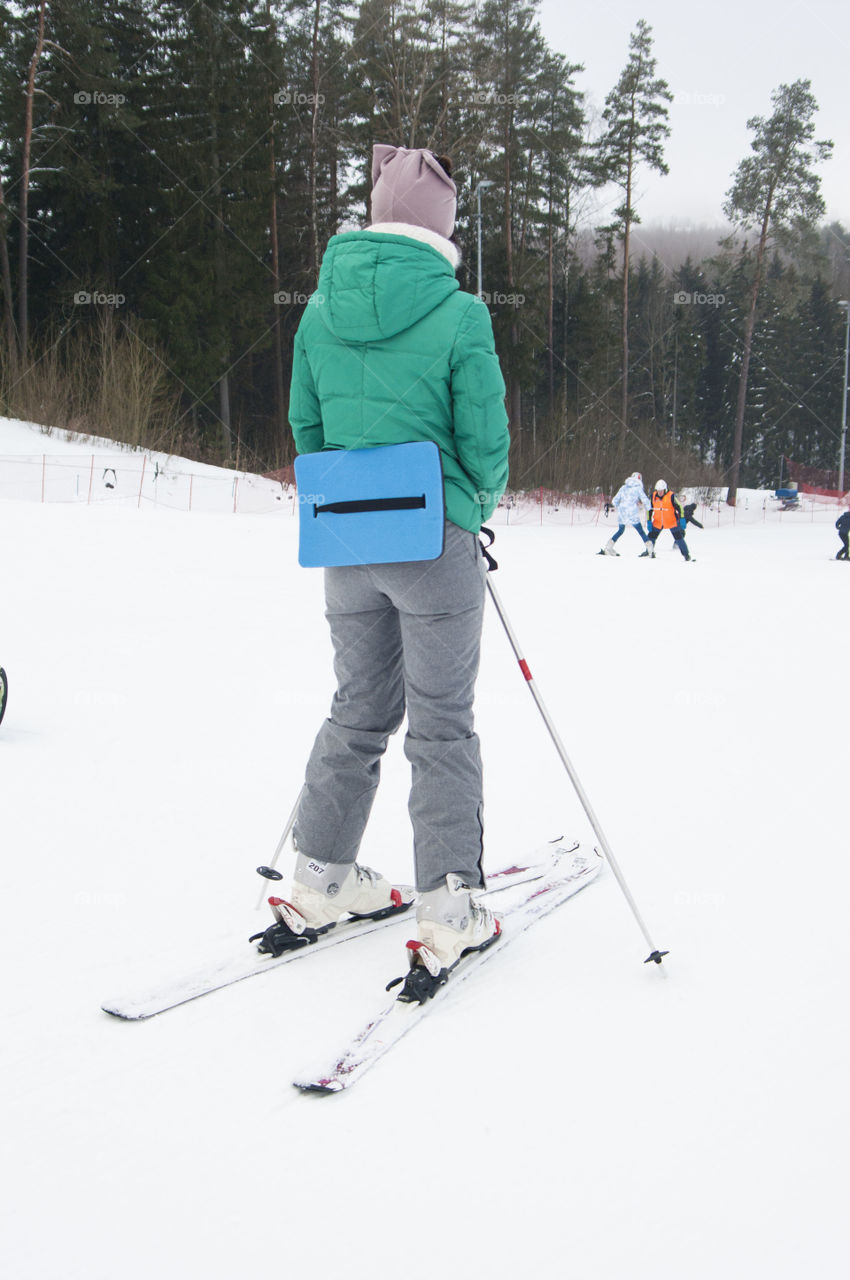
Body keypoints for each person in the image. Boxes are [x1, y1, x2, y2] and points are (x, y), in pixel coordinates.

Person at [278, 145, 510, 992]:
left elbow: (306, 424)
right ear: (442, 231)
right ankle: (451, 908)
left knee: (357, 710)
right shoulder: (459, 314)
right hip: (432, 537)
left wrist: (341, 493)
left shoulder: (317, 310)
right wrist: (476, 502)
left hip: (345, 538)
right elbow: (483, 435)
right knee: (442, 722)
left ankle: (320, 878)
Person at [640, 479, 693, 561]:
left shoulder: (671, 496)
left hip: (671, 521)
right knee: (651, 537)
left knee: (679, 538)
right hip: (658, 521)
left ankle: (686, 555)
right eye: (658, 490)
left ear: (665, 489)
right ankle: (649, 552)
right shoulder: (653, 496)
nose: (659, 492)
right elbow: (649, 510)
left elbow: (680, 508)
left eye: (661, 491)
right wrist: (649, 521)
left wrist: (682, 518)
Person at [599, 471, 650, 556]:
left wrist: (620, 505)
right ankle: (650, 549)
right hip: (632, 513)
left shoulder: (623, 487)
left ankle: (608, 547)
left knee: (620, 530)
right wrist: (650, 507)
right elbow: (645, 500)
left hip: (622, 512)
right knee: (640, 531)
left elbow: (615, 501)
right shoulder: (638, 488)